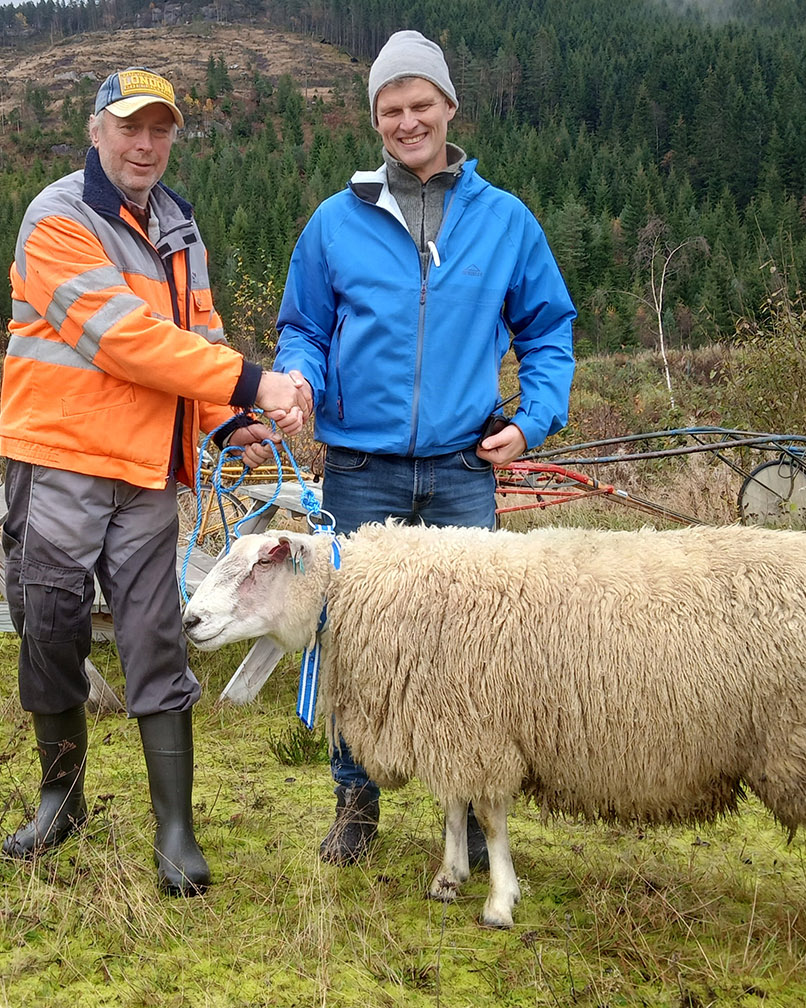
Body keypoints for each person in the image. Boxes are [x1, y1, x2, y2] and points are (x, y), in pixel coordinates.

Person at [0, 66, 307, 896]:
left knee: (155, 640)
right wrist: (252, 383)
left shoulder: (178, 225)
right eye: (130, 127)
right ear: (96, 131)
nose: (145, 144)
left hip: (144, 473)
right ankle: (60, 801)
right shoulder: (57, 218)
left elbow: (194, 335)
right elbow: (125, 340)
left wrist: (225, 422)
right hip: (60, 460)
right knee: (52, 629)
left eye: (160, 129)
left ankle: (177, 833)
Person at [273, 30, 577, 866]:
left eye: (421, 105)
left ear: (449, 108)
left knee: (475, 654)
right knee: (351, 645)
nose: (407, 122)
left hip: (460, 471)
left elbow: (548, 330)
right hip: (361, 470)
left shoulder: (505, 221)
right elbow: (303, 327)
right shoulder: (335, 223)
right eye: (390, 110)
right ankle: (355, 805)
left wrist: (534, 419)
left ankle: (474, 818)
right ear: (375, 118)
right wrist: (298, 380)